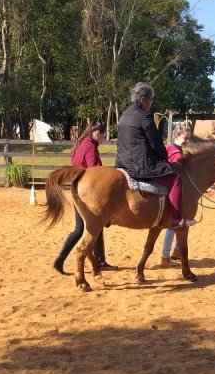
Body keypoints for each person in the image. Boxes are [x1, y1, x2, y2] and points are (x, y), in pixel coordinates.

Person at [115, 82, 196, 228]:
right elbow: (156, 143)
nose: (151, 103)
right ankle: (176, 218)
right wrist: (164, 159)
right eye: (150, 100)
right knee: (176, 177)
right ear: (142, 99)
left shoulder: (124, 115)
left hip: (122, 163)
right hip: (140, 165)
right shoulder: (144, 117)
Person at [52, 121, 117, 274]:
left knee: (96, 226)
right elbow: (94, 172)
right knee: (81, 229)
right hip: (88, 191)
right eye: (103, 135)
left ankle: (100, 261)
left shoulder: (81, 144)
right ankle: (60, 259)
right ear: (96, 133)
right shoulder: (90, 148)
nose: (104, 138)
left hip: (78, 188)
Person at [161, 122, 193, 266]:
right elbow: (179, 175)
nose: (187, 141)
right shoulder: (177, 153)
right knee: (175, 224)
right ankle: (166, 256)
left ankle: (174, 252)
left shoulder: (169, 148)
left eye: (188, 138)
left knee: (177, 226)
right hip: (173, 191)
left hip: (165, 188)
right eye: (185, 138)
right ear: (177, 135)